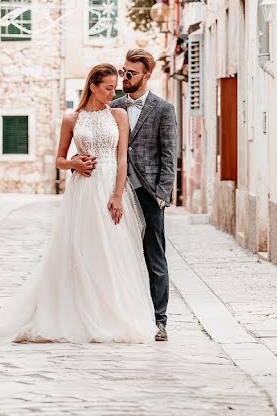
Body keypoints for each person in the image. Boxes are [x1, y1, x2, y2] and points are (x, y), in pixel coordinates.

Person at [0, 63, 157, 344]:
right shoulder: (72, 119)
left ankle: (110, 314)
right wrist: (74, 163)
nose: (114, 93)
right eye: (109, 88)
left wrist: (117, 195)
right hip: (84, 190)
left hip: (109, 185)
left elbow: (122, 158)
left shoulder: (119, 115)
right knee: (82, 250)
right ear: (93, 86)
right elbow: (59, 159)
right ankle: (77, 312)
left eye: (115, 88)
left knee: (112, 251)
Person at [110, 48, 178, 341]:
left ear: (147, 76)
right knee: (117, 255)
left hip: (149, 194)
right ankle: (121, 315)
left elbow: (168, 154)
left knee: (154, 257)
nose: (124, 76)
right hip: (116, 193)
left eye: (130, 73)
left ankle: (159, 320)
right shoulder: (112, 106)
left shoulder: (163, 109)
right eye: (123, 70)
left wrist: (162, 194)